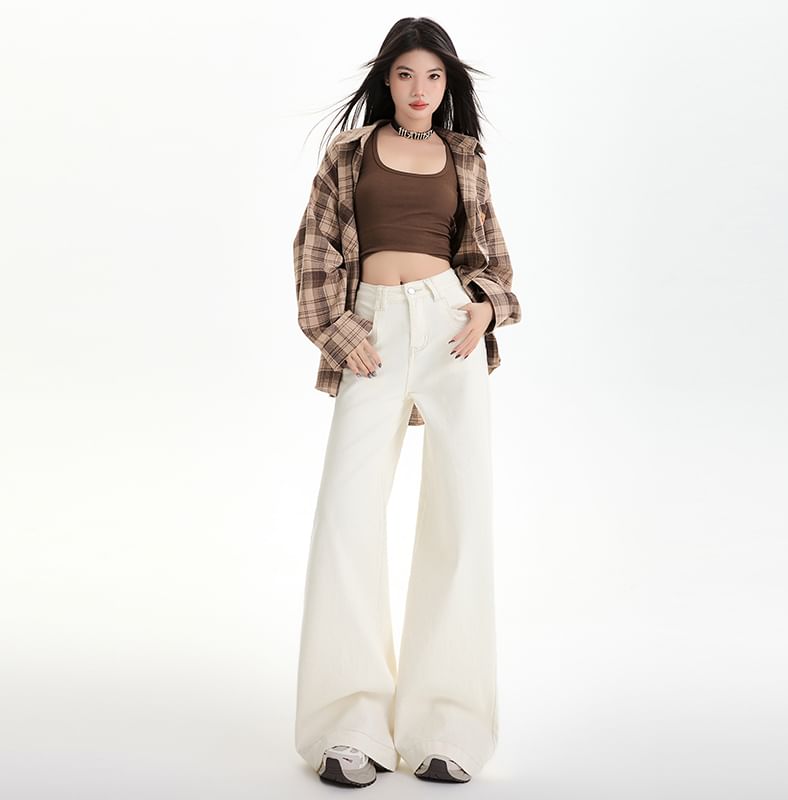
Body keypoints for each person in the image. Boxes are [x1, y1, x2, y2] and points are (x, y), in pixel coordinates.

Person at [292, 16, 522, 788]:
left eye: (433, 76)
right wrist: (337, 330)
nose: (420, 89)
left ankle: (448, 726)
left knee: (460, 516)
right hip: (373, 332)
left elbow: (492, 258)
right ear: (385, 80)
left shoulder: (465, 157)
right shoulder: (348, 154)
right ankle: (348, 725)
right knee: (346, 515)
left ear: (447, 83)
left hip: (451, 329)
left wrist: (485, 307)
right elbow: (313, 247)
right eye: (405, 74)